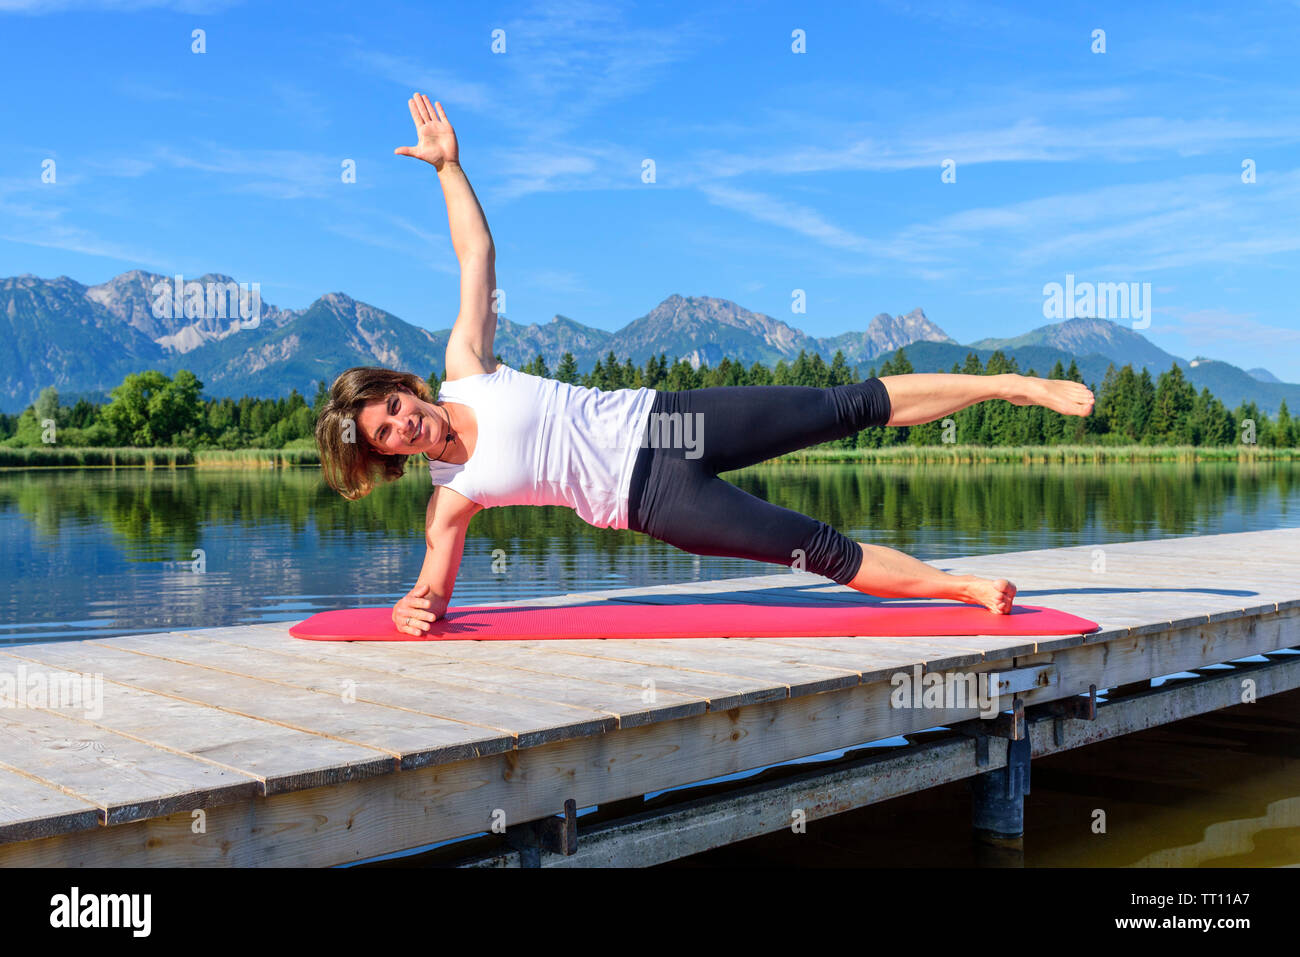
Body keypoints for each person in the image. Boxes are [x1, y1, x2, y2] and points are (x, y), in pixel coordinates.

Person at [314, 94, 1096, 636]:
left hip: (666, 417)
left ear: (401, 389)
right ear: (390, 458)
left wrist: (448, 168)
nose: (402, 427)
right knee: (819, 548)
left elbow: (476, 253)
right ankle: (957, 586)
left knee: (845, 403)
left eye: (391, 411)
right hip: (654, 500)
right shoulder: (450, 501)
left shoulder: (465, 366)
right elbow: (431, 594)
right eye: (388, 439)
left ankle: (1009, 384)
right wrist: (407, 610)